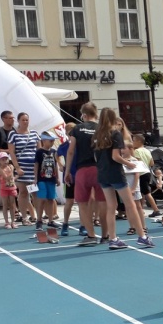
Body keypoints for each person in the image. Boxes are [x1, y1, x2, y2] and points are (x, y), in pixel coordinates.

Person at [93, 108, 153, 249]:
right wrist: (129, 163)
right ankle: (142, 236)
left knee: (111, 206)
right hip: (115, 172)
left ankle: (113, 237)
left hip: (102, 172)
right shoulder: (115, 134)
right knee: (130, 204)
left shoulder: (97, 135)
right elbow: (115, 156)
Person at [65, 102, 106, 245]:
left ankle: (91, 235)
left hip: (83, 169)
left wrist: (67, 170)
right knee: (103, 202)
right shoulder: (102, 128)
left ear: (84, 115)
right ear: (96, 114)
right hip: (100, 169)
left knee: (82, 203)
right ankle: (106, 235)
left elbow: (71, 151)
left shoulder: (77, 129)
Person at [7, 112, 40, 225]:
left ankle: (38, 216)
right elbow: (12, 152)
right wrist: (17, 167)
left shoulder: (35, 134)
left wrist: (39, 166)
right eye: (23, 120)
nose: (25, 122)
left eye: (27, 120)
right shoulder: (13, 134)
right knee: (23, 192)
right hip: (22, 167)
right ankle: (25, 217)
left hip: (33, 167)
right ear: (18, 121)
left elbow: (39, 151)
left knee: (35, 192)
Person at [33, 132, 61, 231]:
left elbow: (55, 165)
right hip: (42, 178)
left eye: (53, 141)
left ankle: (50, 220)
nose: (52, 142)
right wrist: (35, 178)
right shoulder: (39, 152)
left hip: (51, 178)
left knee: (51, 199)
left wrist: (57, 177)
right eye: (51, 140)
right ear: (44, 141)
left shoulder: (54, 151)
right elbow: (36, 165)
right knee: (42, 199)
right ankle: (39, 220)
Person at [131, 133, 161, 218]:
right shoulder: (147, 150)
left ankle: (156, 209)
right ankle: (141, 209)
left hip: (141, 173)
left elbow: (136, 161)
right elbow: (152, 163)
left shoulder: (136, 151)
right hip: (147, 172)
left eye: (133, 141)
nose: (132, 142)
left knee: (146, 192)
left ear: (139, 141)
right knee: (143, 193)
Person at [0, 152, 18, 229]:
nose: (5, 161)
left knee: (12, 205)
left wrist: (17, 176)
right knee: (5, 205)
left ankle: (13, 221)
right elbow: (6, 177)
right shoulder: (0, 169)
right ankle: (6, 222)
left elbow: (12, 179)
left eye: (6, 159)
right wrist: (12, 171)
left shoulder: (10, 166)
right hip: (4, 189)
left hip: (11, 188)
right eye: (3, 159)